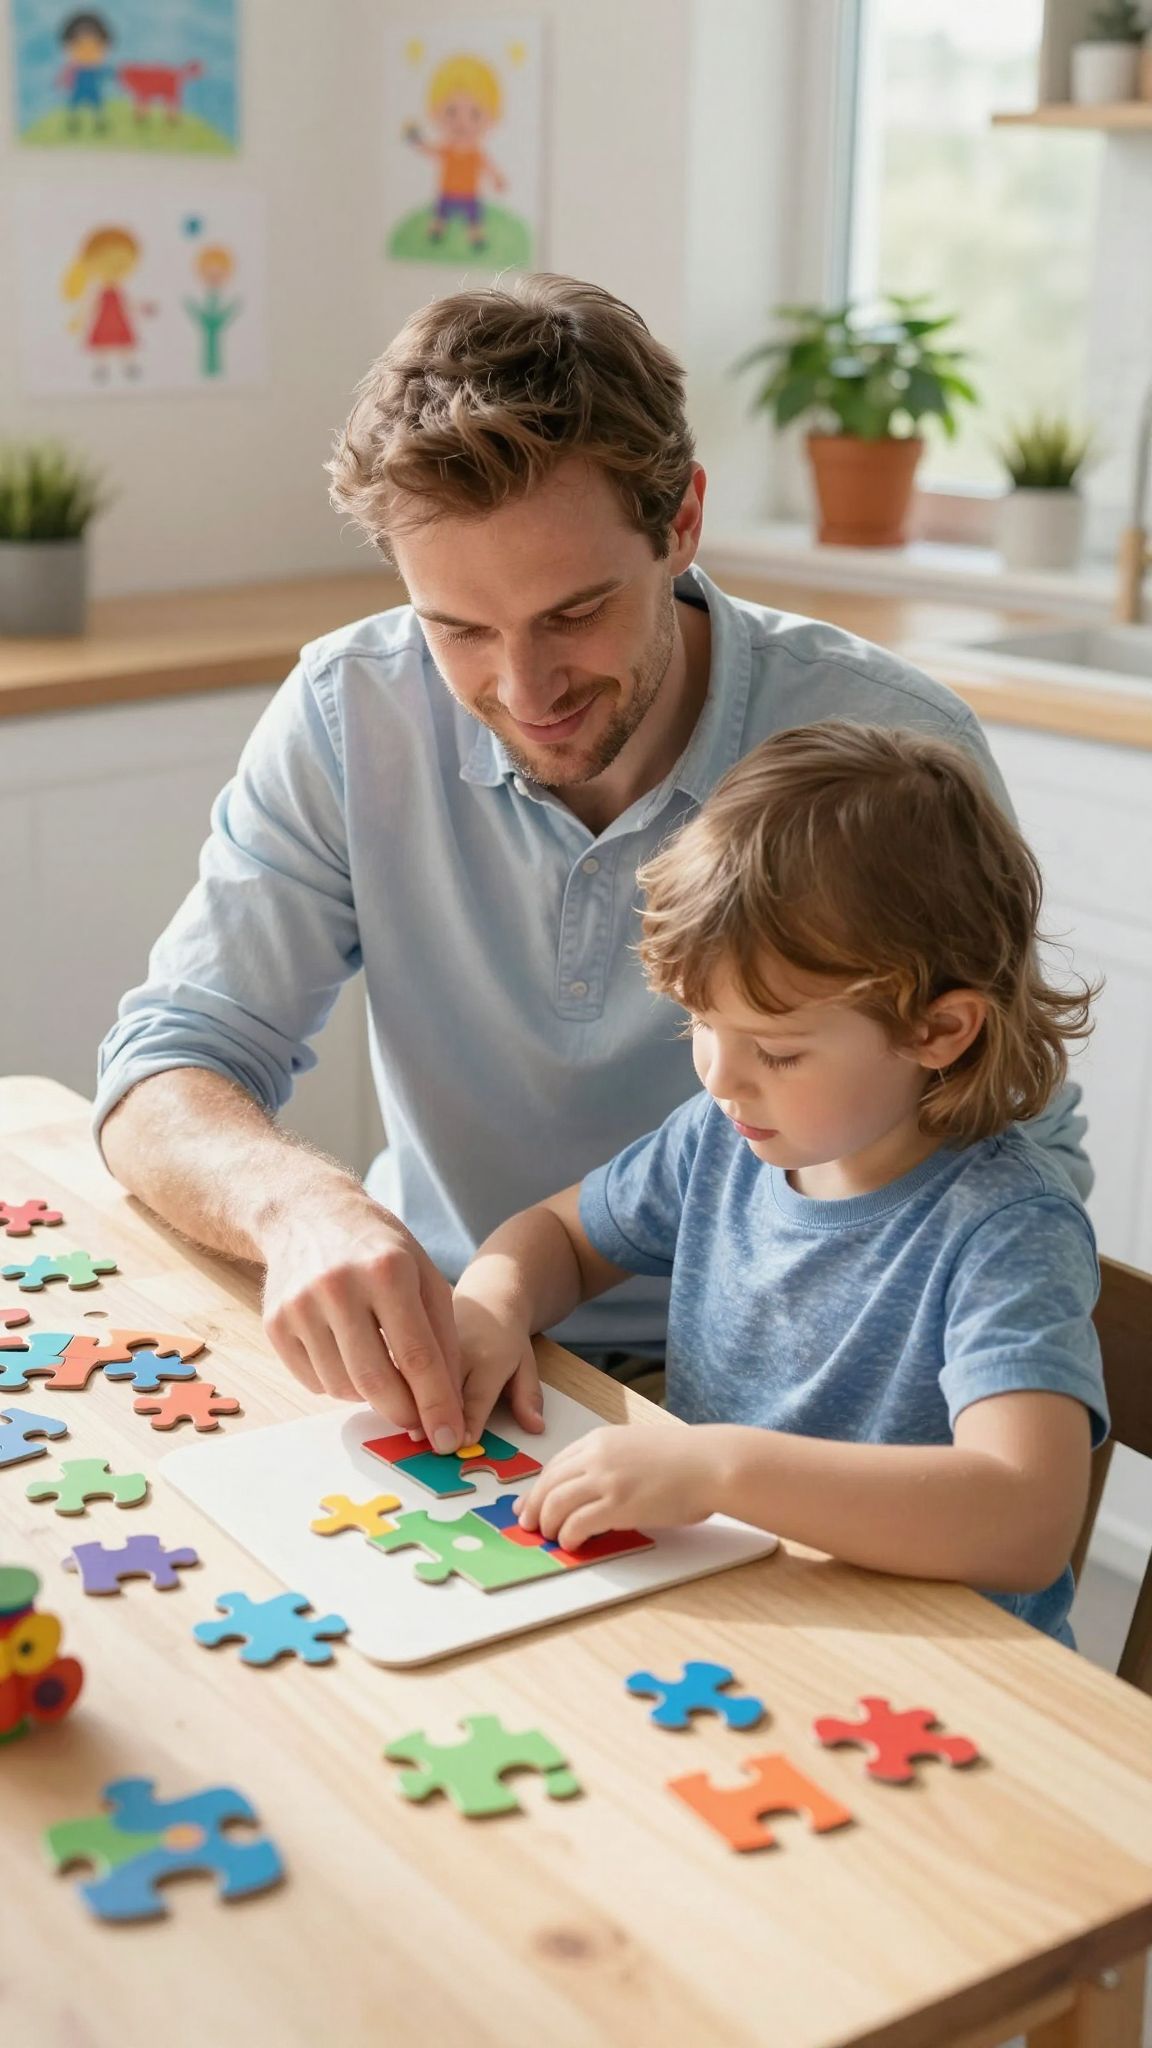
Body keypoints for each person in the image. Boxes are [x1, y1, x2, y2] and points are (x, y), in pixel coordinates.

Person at [94, 273, 1091, 1459]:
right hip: (458, 1344)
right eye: (457, 627)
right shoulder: (348, 709)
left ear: (681, 523)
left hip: (802, 1413)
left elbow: (1016, 1152)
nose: (525, 690)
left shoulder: (892, 751)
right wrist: (298, 1206)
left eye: (575, 612)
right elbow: (167, 1062)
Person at [451, 721, 1107, 1644]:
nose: (719, 1077)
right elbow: (555, 1238)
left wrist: (718, 1469)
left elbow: (1025, 1520)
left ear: (938, 1031)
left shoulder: (1006, 1229)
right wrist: (492, 1301)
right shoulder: (724, 1141)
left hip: (940, 1673)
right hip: (747, 1616)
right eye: (699, 1025)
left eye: (778, 1049)